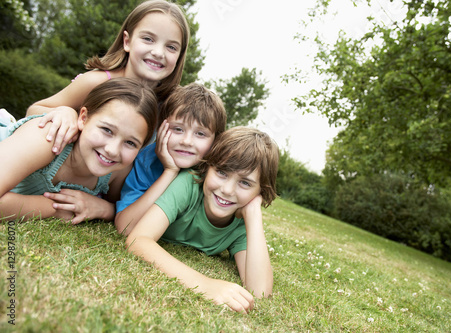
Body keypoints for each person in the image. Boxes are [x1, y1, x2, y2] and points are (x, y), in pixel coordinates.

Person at [125, 127, 279, 313]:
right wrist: (204, 285)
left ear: (259, 192)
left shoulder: (242, 220)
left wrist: (254, 214)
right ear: (207, 168)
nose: (227, 190)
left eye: (245, 183)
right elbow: (137, 240)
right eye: (222, 172)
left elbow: (260, 291)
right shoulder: (187, 184)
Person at [26, 0, 189, 155]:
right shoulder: (96, 82)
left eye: (171, 47)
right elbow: (34, 111)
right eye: (148, 39)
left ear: (179, 56)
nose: (158, 52)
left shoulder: (170, 105)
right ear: (127, 41)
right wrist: (67, 113)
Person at [0, 78, 158, 224]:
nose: (112, 150)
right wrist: (54, 208)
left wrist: (105, 209)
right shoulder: (49, 137)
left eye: (130, 143)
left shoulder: (119, 170)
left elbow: (126, 215)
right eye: (107, 130)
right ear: (83, 118)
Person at [115, 82, 227, 235]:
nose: (186, 141)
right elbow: (125, 227)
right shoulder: (146, 161)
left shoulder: (216, 172)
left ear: (215, 141)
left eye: (200, 133)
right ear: (161, 128)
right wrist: (170, 171)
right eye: (178, 129)